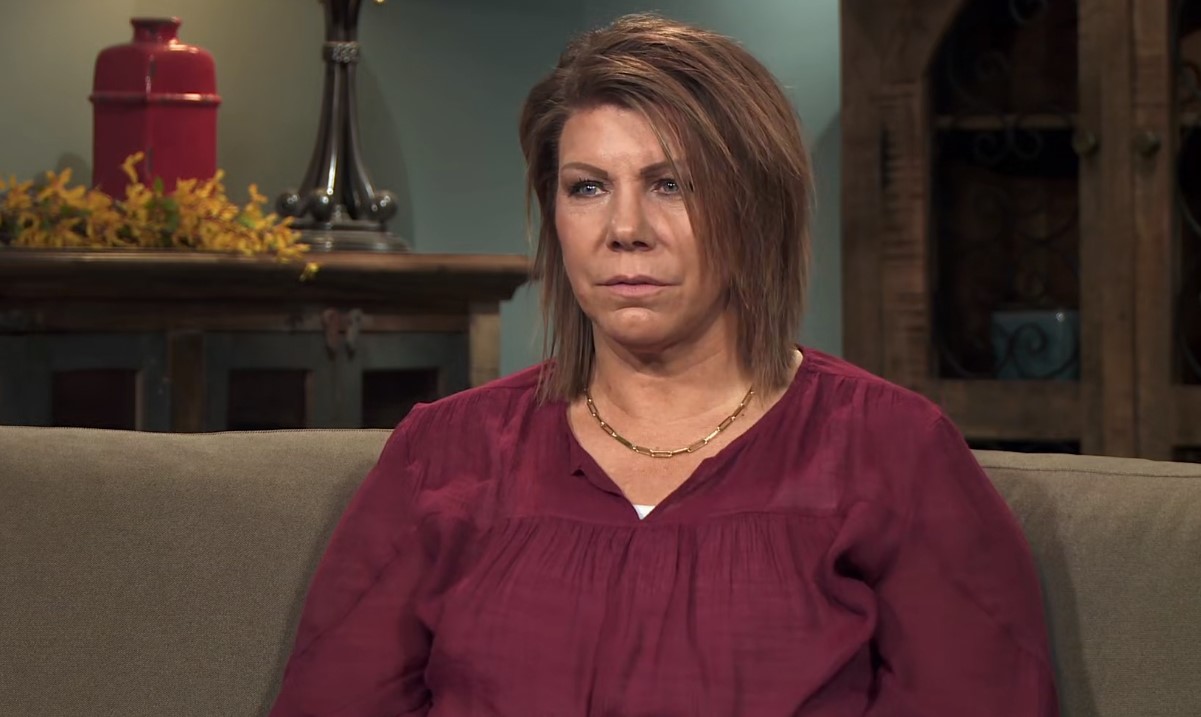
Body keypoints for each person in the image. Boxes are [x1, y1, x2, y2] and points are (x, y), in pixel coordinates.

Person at [268, 12, 1059, 717]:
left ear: (756, 208)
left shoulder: (891, 452)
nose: (624, 228)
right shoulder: (441, 457)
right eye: (586, 188)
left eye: (670, 184)